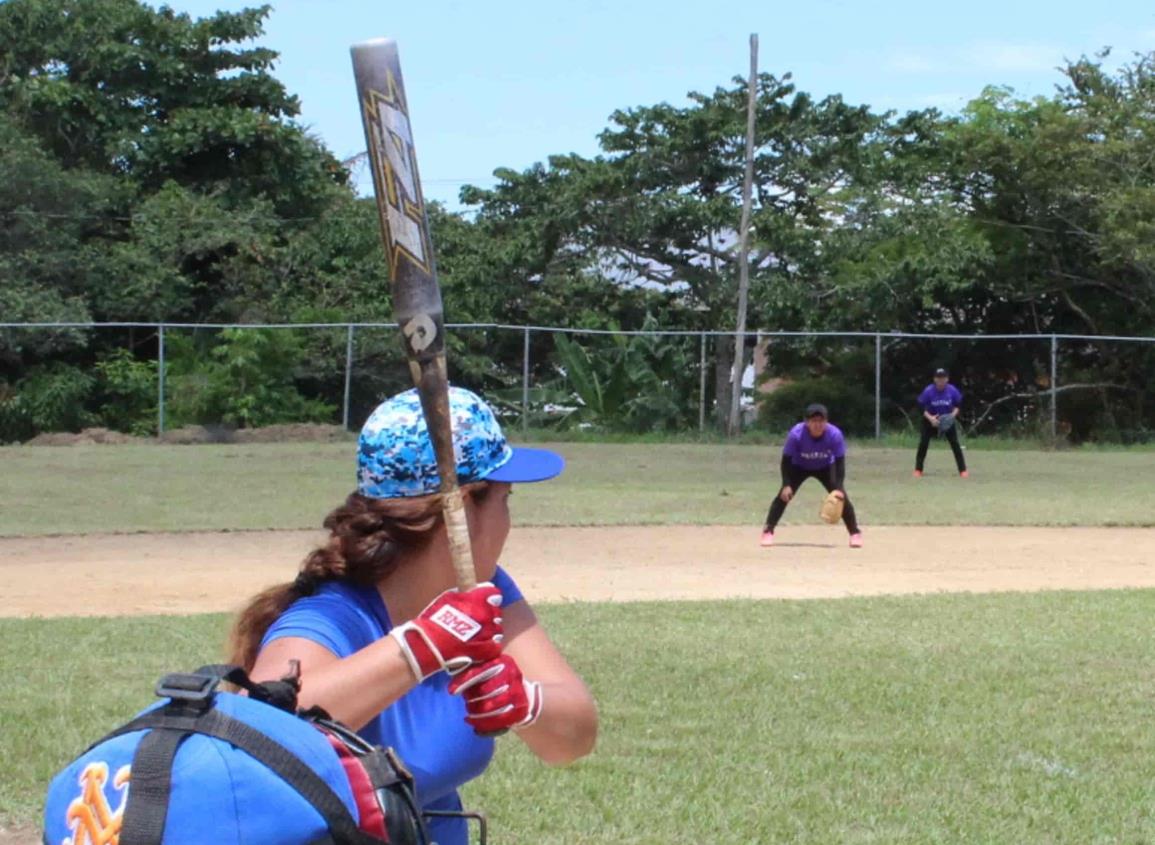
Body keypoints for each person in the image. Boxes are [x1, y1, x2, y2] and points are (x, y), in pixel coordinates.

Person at [230, 386, 598, 845]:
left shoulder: (485, 589)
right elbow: (252, 732)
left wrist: (526, 702)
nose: (509, 519)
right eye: (505, 499)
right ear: (462, 510)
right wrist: (421, 647)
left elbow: (575, 736)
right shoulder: (333, 616)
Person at [760, 403, 863, 549]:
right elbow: (786, 460)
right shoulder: (796, 434)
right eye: (814, 421)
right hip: (799, 466)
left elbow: (840, 463)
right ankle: (768, 531)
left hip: (825, 467)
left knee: (841, 497)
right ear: (806, 422)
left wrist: (839, 487)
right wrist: (786, 484)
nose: (817, 424)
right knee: (783, 496)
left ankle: (855, 533)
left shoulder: (834, 435)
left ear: (826, 422)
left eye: (821, 421)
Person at [914, 367, 968, 477]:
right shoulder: (929, 391)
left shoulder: (952, 390)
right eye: (938, 378)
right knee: (923, 443)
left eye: (943, 378)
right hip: (930, 420)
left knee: (955, 444)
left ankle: (963, 470)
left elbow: (958, 405)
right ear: (934, 379)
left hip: (947, 420)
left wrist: (951, 417)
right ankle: (918, 470)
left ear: (947, 379)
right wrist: (931, 419)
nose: (940, 381)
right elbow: (920, 407)